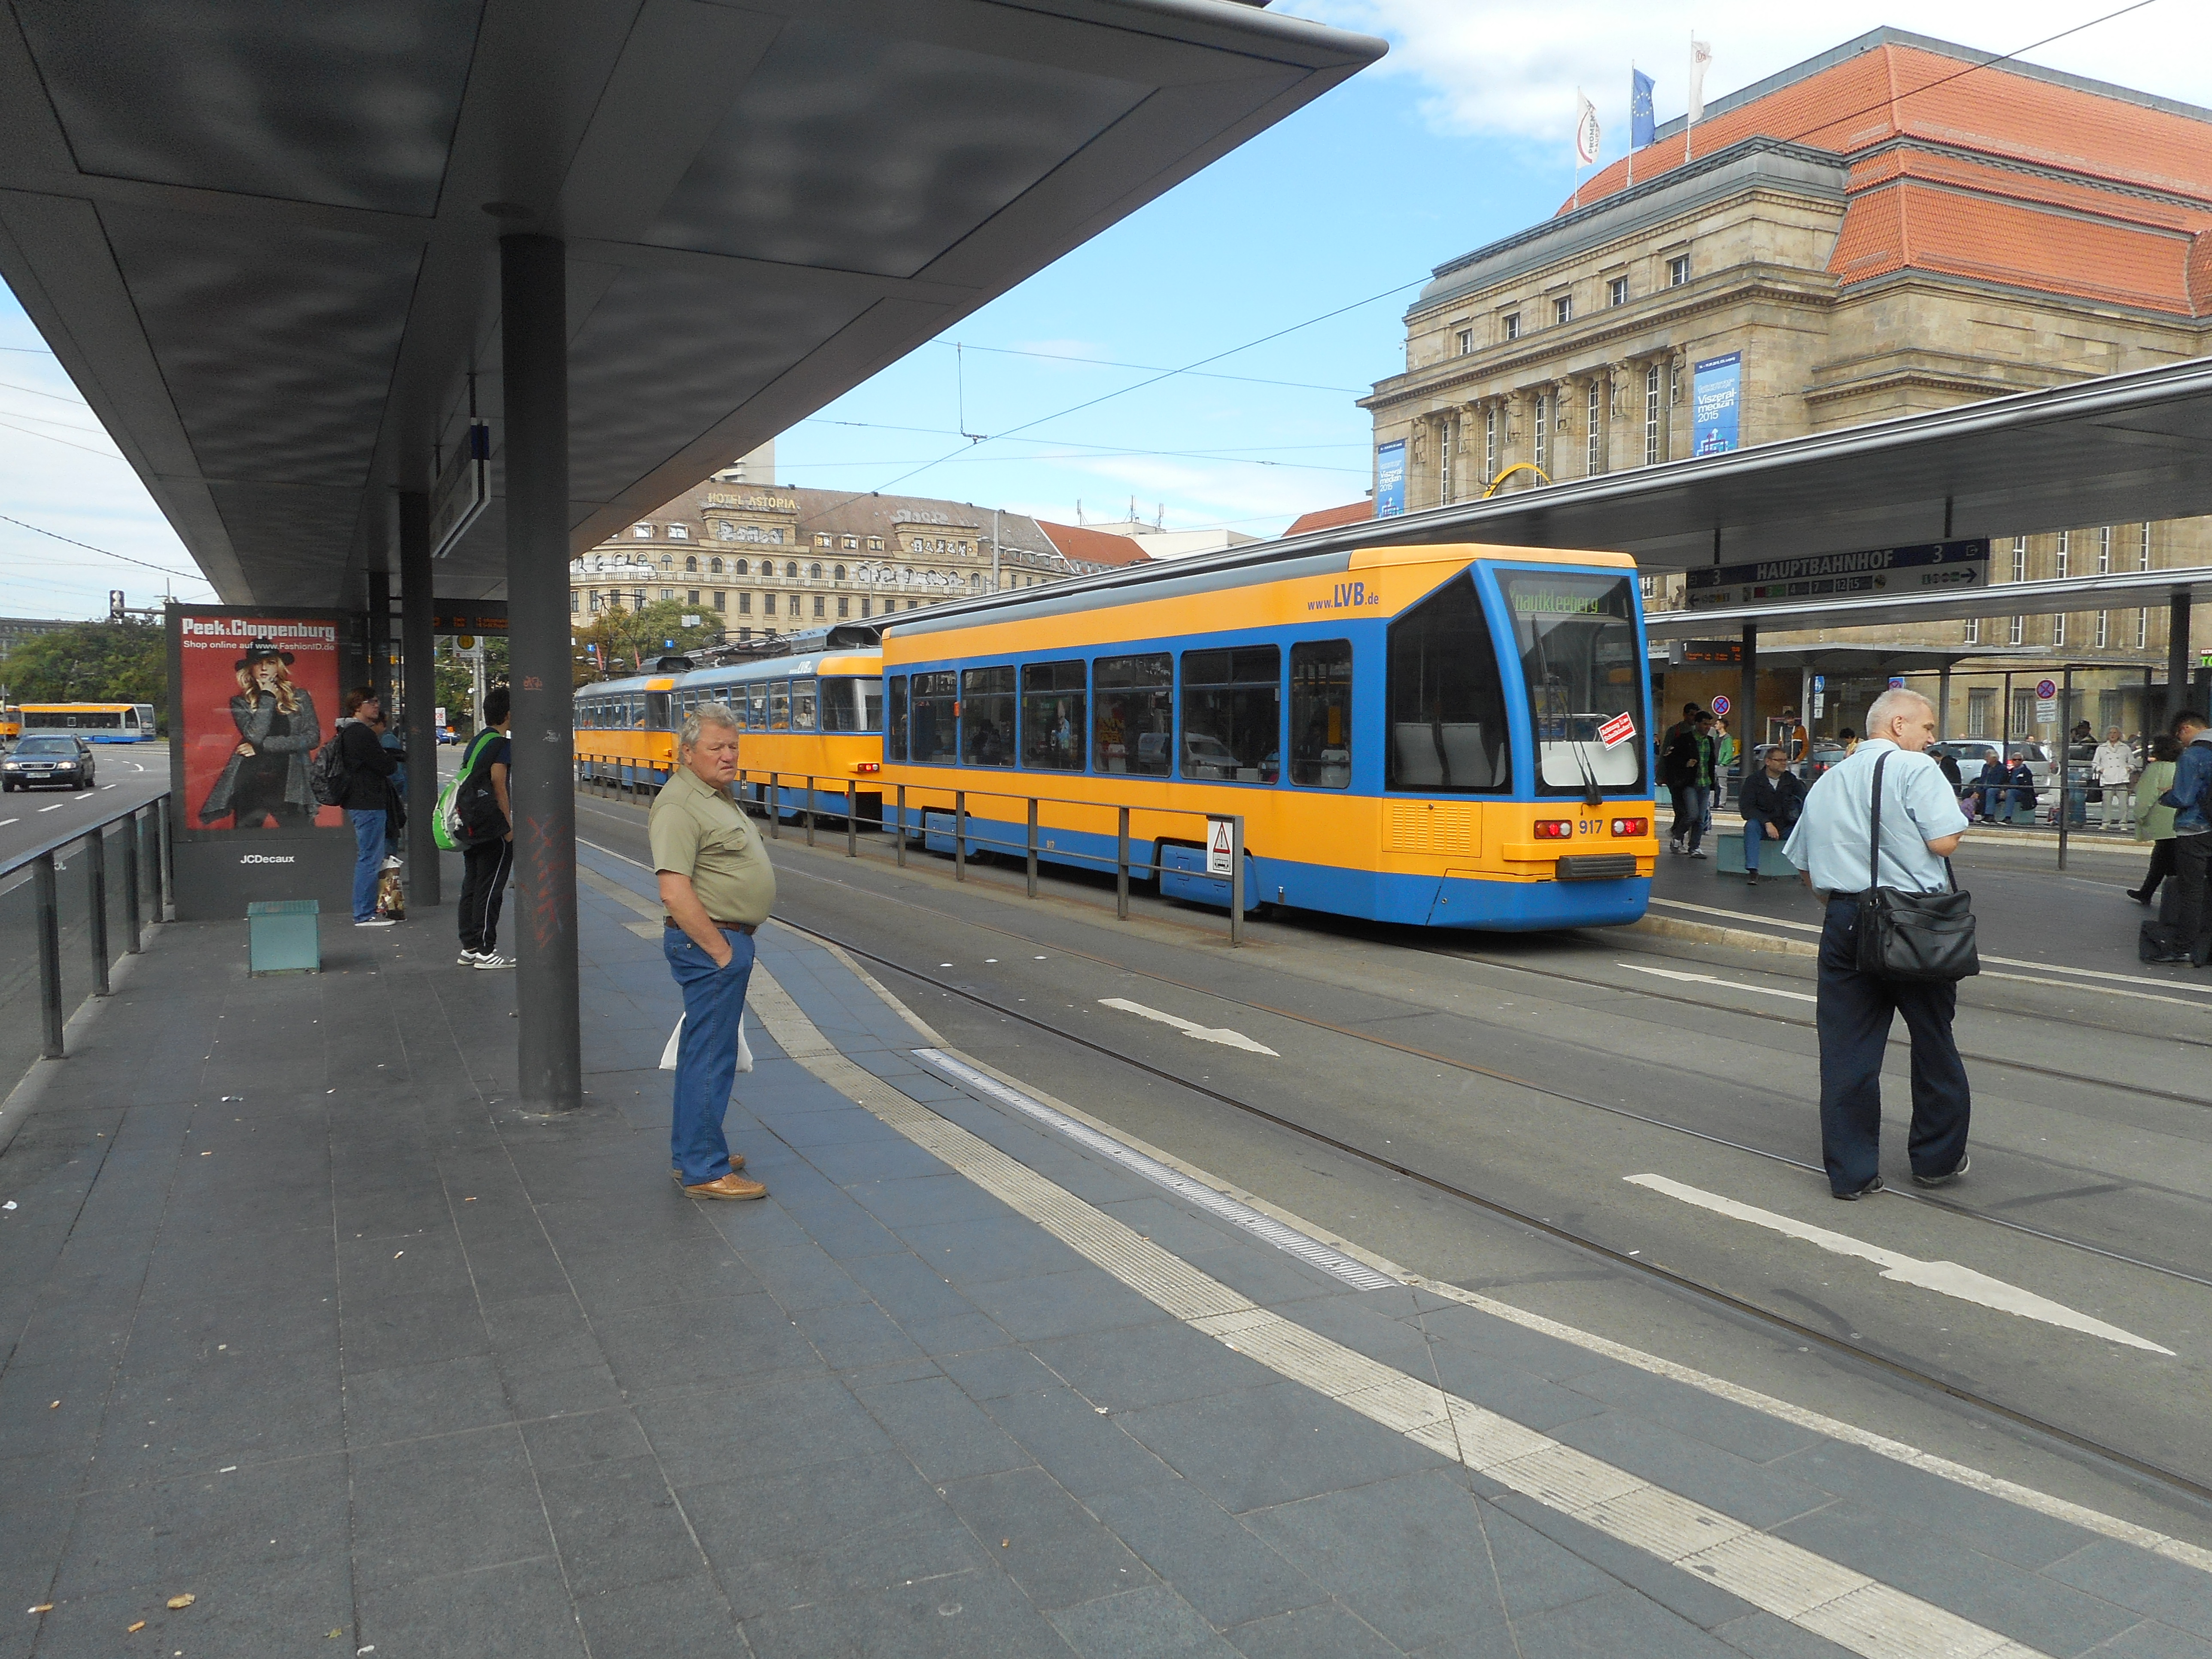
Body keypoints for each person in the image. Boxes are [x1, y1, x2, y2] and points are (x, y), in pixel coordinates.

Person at [1784, 687, 1972, 1199]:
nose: (1932, 738)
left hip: (1846, 919)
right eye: (1927, 728)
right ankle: (1936, 1159)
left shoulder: (1826, 782)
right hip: (1914, 922)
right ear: (1897, 725)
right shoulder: (1917, 770)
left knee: (1846, 1051)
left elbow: (1803, 866)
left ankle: (1851, 1173)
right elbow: (1943, 841)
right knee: (1933, 1041)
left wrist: (1846, 902)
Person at [651, 702, 774, 1200]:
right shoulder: (680, 805)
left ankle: (694, 1149)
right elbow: (673, 889)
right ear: (687, 753)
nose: (728, 756)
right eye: (716, 747)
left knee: (705, 1052)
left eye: (733, 746)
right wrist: (721, 951)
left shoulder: (714, 795)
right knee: (710, 1058)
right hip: (712, 945)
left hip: (723, 940)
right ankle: (705, 1168)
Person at [197, 640, 322, 827]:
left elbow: (312, 739)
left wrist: (263, 747)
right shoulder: (240, 702)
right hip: (250, 780)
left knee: (302, 837)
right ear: (250, 668)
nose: (264, 668)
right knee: (247, 841)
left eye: (270, 662)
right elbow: (254, 734)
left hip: (290, 780)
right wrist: (267, 697)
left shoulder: (300, 697)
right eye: (257, 662)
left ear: (278, 667)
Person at [456, 687, 515, 969]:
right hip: (490, 824)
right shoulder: (501, 745)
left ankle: (469, 946)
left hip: (471, 821)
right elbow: (499, 786)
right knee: (491, 887)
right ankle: (486, 950)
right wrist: (508, 827)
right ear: (508, 714)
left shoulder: (478, 740)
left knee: (473, 883)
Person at [334, 686, 400, 927]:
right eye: (371, 702)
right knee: (370, 858)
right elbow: (386, 766)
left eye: (377, 702)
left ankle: (366, 910)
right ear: (358, 706)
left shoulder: (347, 731)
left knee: (369, 856)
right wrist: (389, 757)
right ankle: (364, 914)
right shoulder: (361, 734)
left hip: (360, 801)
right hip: (368, 802)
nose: (376, 706)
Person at [2150, 710, 2212, 966]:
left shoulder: (2194, 756)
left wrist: (2167, 795)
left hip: (2195, 830)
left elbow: (2184, 798)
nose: (2181, 742)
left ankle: (2183, 948)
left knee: (2193, 892)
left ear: (2187, 729)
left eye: (2179, 736)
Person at [1738, 744, 1806, 884]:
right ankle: (1753, 870)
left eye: (1785, 760)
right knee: (1751, 826)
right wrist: (1767, 823)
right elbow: (1747, 808)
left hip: (1786, 824)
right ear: (1768, 762)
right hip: (1763, 825)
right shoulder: (1754, 781)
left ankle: (1806, 871)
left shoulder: (1790, 780)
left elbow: (1805, 800)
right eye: (1779, 760)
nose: (1784, 764)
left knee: (1805, 831)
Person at [2127, 732, 2179, 906]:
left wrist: (2139, 817)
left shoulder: (2156, 769)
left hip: (2161, 821)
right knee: (2163, 859)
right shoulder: (2180, 767)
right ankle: (2146, 892)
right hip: (2179, 821)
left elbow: (2146, 797)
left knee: (2166, 861)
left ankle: (2169, 900)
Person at [1661, 710, 1713, 856]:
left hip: (1705, 783)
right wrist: (1685, 763)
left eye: (1710, 725)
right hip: (1689, 783)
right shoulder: (1685, 739)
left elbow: (1711, 762)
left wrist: (1712, 781)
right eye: (1704, 724)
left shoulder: (1709, 741)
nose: (1707, 727)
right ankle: (1677, 835)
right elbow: (1670, 758)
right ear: (1697, 724)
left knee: (1700, 818)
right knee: (1692, 814)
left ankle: (1695, 847)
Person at [2093, 726, 2136, 832]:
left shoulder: (2125, 748)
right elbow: (2095, 763)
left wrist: (2128, 769)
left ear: (2119, 735)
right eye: (2110, 733)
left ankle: (2123, 823)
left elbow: (2133, 762)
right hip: (2107, 779)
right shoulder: (2101, 748)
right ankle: (2105, 823)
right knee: (2106, 803)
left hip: (2122, 779)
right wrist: (2102, 770)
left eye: (2115, 733)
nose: (2112, 735)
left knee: (2124, 804)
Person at [2005, 753, 2039, 826]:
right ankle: (1988, 815)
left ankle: (2008, 817)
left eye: (2019, 760)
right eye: (2015, 760)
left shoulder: (2026, 772)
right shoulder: (2011, 771)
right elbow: (2005, 782)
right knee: (1992, 791)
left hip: (2023, 793)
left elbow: (2026, 786)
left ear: (2022, 761)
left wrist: (2011, 788)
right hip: (2011, 790)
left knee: (2011, 793)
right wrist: (2003, 790)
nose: (2017, 761)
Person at [1973, 753, 2008, 822]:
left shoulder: (2002, 768)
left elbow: (1999, 781)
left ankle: (1989, 815)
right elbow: (1981, 779)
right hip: (1984, 787)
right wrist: (1977, 791)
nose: (1985, 759)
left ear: (1994, 759)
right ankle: (1969, 815)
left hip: (1996, 788)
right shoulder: (1985, 767)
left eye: (1987, 757)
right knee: (1967, 792)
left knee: (1989, 792)